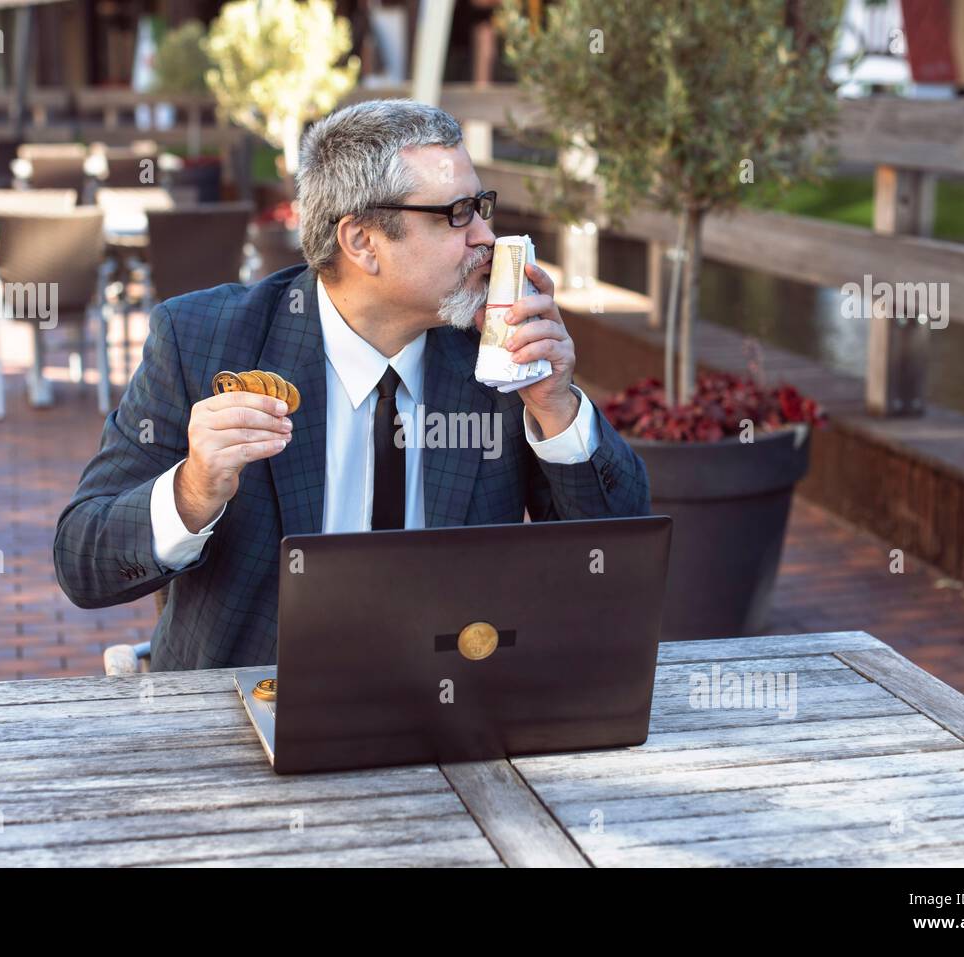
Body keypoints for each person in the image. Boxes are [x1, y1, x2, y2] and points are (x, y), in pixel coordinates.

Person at [53, 99, 650, 670]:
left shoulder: (495, 352)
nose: (486, 240)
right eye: (455, 214)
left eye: (482, 207)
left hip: (450, 698)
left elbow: (615, 565)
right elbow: (83, 563)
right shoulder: (203, 339)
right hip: (247, 709)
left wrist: (558, 410)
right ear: (361, 241)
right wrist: (192, 491)